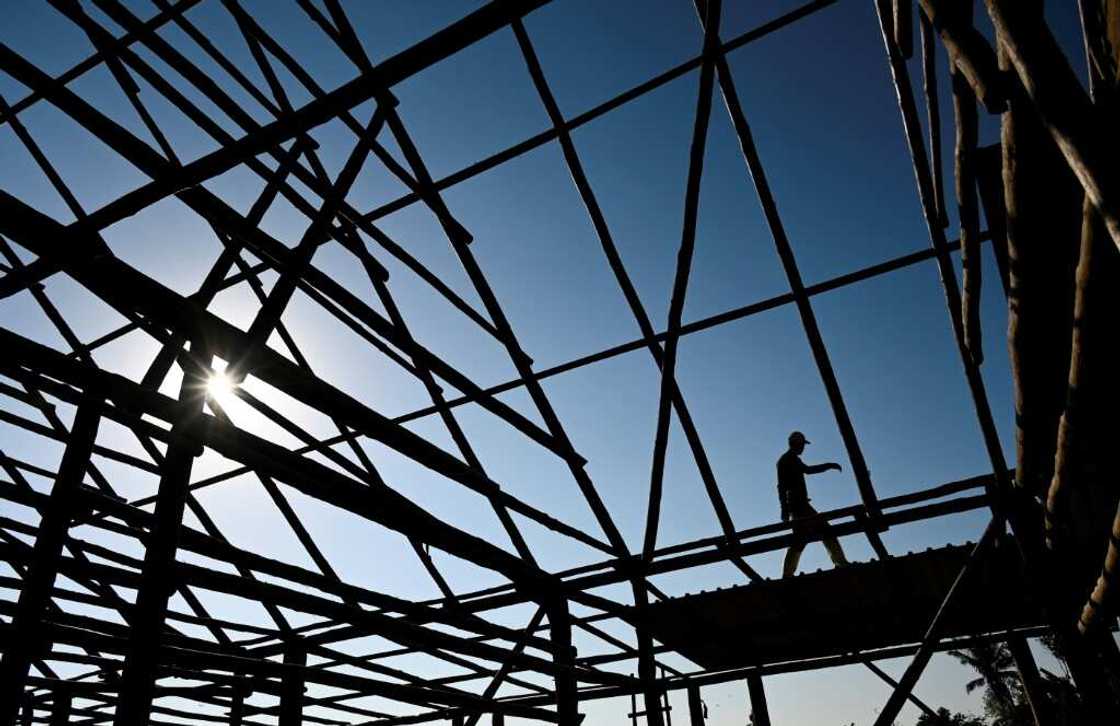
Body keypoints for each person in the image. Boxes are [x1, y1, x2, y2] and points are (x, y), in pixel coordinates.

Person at [777, 431, 850, 577]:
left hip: (799, 506)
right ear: (796, 444)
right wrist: (784, 510)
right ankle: (840, 562)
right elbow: (782, 487)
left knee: (801, 539)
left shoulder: (793, 459)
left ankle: (787, 574)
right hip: (798, 507)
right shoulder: (786, 460)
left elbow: (808, 470)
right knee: (823, 530)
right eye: (802, 445)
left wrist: (828, 466)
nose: (803, 448)